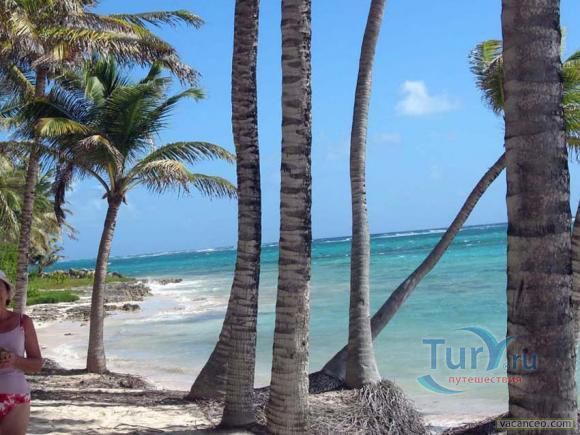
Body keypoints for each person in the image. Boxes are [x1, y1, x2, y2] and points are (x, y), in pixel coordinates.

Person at [0, 270, 43, 435]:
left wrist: (15, 361)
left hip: (16, 397)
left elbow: (37, 365)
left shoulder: (23, 322)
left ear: (7, 293)